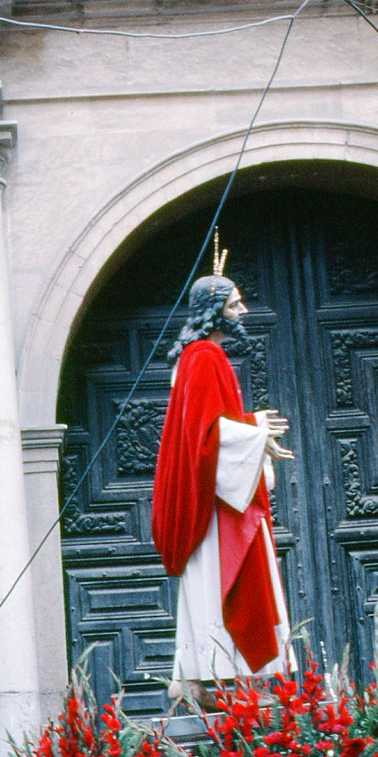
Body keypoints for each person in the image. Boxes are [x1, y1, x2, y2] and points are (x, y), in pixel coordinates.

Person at [151, 271, 294, 707]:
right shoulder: (206, 357)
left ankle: (196, 679)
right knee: (223, 577)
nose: (243, 311)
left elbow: (206, 429)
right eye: (234, 305)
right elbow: (207, 435)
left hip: (215, 493)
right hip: (218, 507)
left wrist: (252, 433)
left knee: (209, 581)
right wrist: (257, 431)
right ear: (213, 310)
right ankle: (225, 681)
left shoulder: (195, 357)